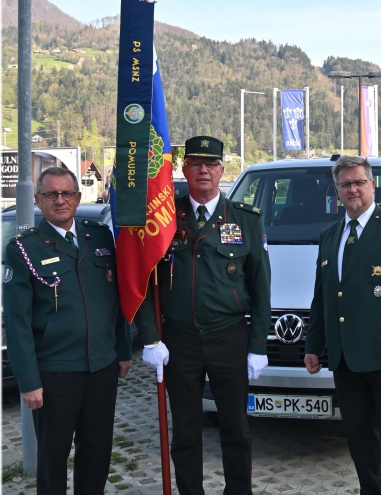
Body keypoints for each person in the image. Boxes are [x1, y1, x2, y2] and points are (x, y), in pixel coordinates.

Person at [134, 135, 271, 495]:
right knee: (186, 429)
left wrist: (258, 344)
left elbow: (260, 287)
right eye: (196, 164)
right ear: (184, 170)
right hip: (179, 341)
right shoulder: (164, 220)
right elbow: (143, 280)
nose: (204, 171)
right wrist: (150, 336)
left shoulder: (246, 220)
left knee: (235, 429)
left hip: (229, 337)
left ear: (223, 170)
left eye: (211, 165)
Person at [3, 167, 133, 495]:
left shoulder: (100, 237)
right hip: (55, 374)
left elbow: (117, 300)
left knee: (97, 453)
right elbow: (17, 323)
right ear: (38, 200)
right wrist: (29, 382)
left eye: (67, 193)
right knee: (53, 458)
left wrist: (123, 350)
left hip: (101, 368)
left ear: (77, 197)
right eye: (51, 194)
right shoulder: (23, 250)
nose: (60, 200)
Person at [304, 155, 381, 495]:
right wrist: (313, 345)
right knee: (359, 441)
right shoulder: (330, 235)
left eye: (359, 182)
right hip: (345, 359)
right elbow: (323, 296)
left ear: (372, 185)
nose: (353, 189)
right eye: (345, 184)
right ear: (337, 191)